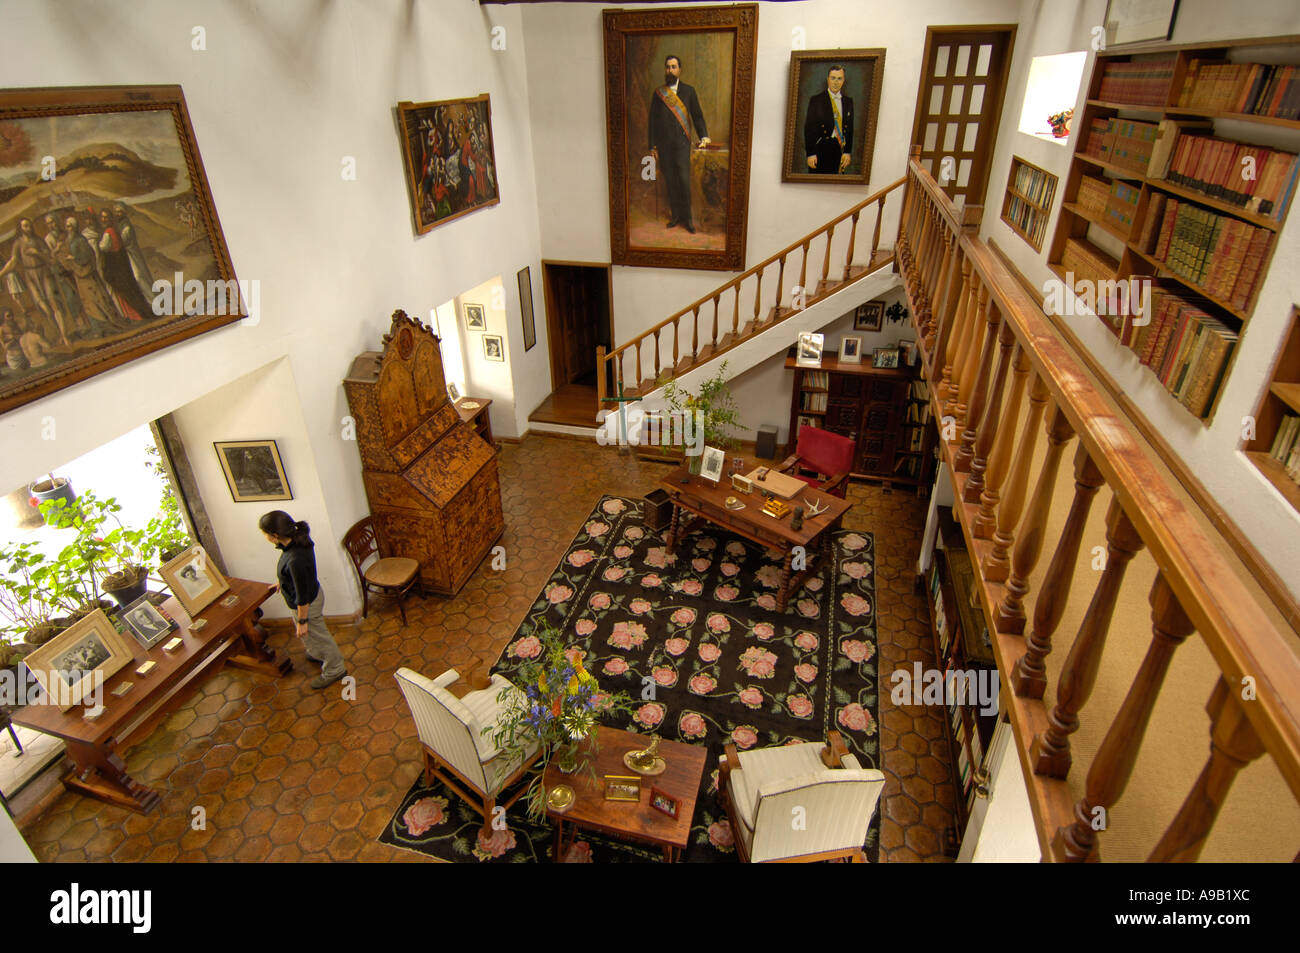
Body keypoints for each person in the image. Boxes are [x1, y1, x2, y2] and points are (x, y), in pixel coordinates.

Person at [259, 510, 347, 690]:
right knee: (312, 635)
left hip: (307, 604)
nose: (265, 537)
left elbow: (302, 595)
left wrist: (302, 620)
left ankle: (335, 668)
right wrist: (282, 582)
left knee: (319, 636)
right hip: (310, 595)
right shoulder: (299, 541)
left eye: (265, 534)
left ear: (275, 535)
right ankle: (317, 653)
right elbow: (300, 576)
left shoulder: (295, 559)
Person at [649, 54, 710, 233]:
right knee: (671, 182)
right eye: (668, 67)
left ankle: (688, 220)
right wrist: (652, 146)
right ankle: (675, 217)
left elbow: (697, 116)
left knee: (684, 181)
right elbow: (652, 121)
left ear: (680, 69)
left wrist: (704, 136)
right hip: (664, 146)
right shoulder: (659, 93)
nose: (670, 70)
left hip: (683, 145)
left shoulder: (689, 91)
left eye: (674, 66)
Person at [804, 65, 854, 175]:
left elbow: (850, 129)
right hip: (821, 148)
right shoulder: (816, 100)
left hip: (840, 148)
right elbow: (809, 129)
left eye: (839, 78)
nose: (836, 82)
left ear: (843, 80)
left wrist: (847, 151)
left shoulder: (848, 102)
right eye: (833, 78)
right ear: (828, 79)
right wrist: (810, 153)